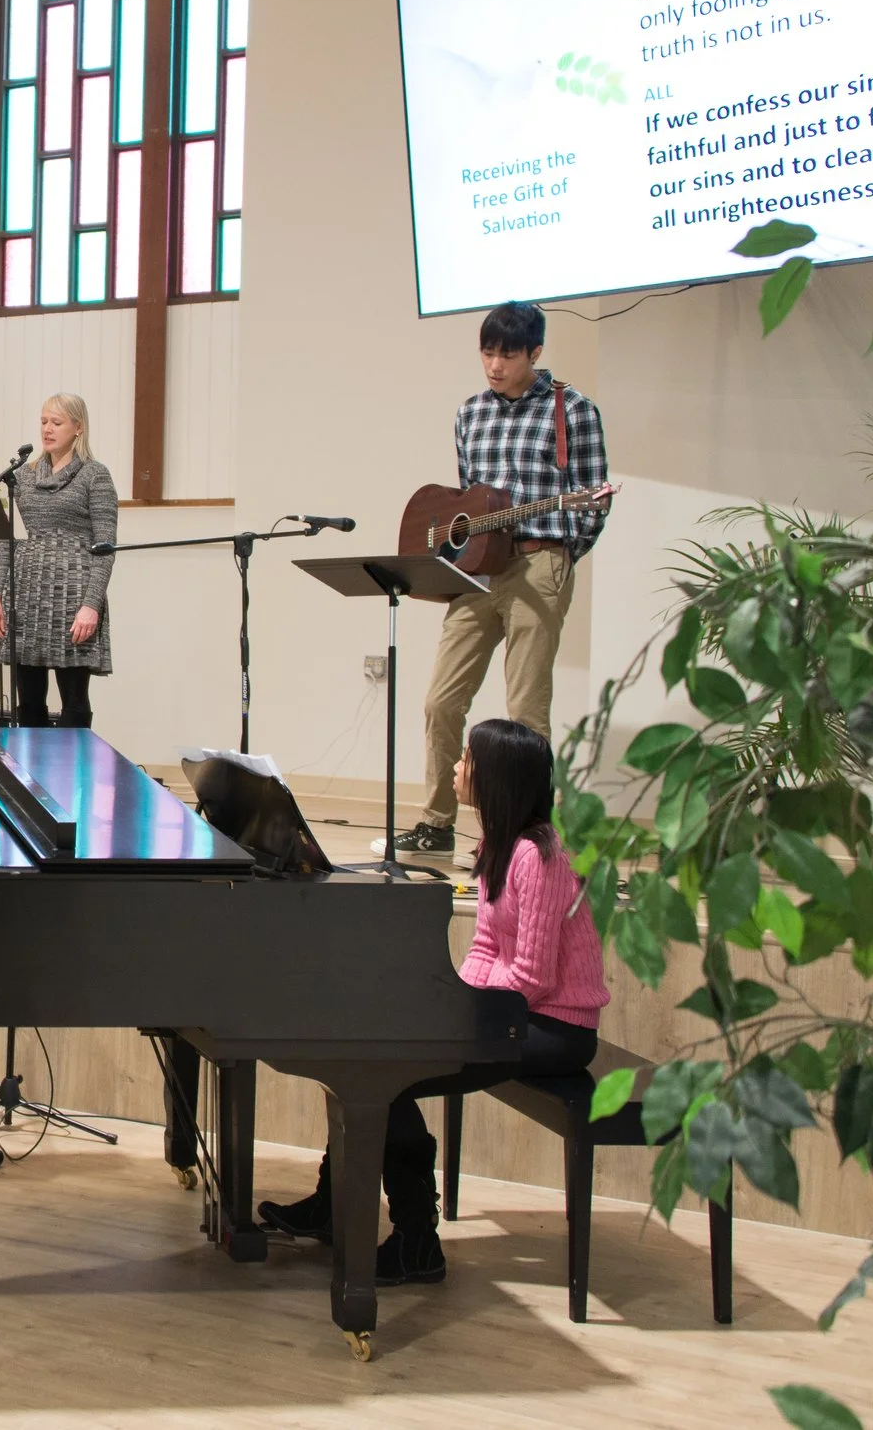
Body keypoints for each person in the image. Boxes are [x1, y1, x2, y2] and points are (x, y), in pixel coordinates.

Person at [258, 717, 610, 1285]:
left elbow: (534, 977)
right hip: (514, 1012)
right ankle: (336, 1206)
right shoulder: (502, 845)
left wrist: (465, 1013)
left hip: (553, 1028)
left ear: (495, 778)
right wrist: (453, 1000)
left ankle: (417, 1240)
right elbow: (488, 946)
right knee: (372, 1059)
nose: (455, 768)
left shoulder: (539, 856)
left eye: (466, 760)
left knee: (389, 1073)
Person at [392, 300, 613, 858]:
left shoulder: (574, 410)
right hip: (479, 573)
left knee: (526, 710)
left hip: (540, 562)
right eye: (487, 353)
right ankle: (437, 821)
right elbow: (466, 500)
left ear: (535, 353)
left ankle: (525, 838)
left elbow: (594, 499)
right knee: (441, 700)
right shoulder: (469, 414)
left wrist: (559, 559)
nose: (494, 364)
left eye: (507, 355)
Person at [0, 393, 117, 729]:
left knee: (74, 699)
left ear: (78, 427)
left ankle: (73, 776)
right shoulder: (23, 476)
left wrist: (92, 605)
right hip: (26, 595)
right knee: (28, 700)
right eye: (44, 421)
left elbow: (105, 548)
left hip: (73, 597)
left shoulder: (94, 475)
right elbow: (7, 539)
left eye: (56, 422)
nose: (47, 429)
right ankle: (31, 777)